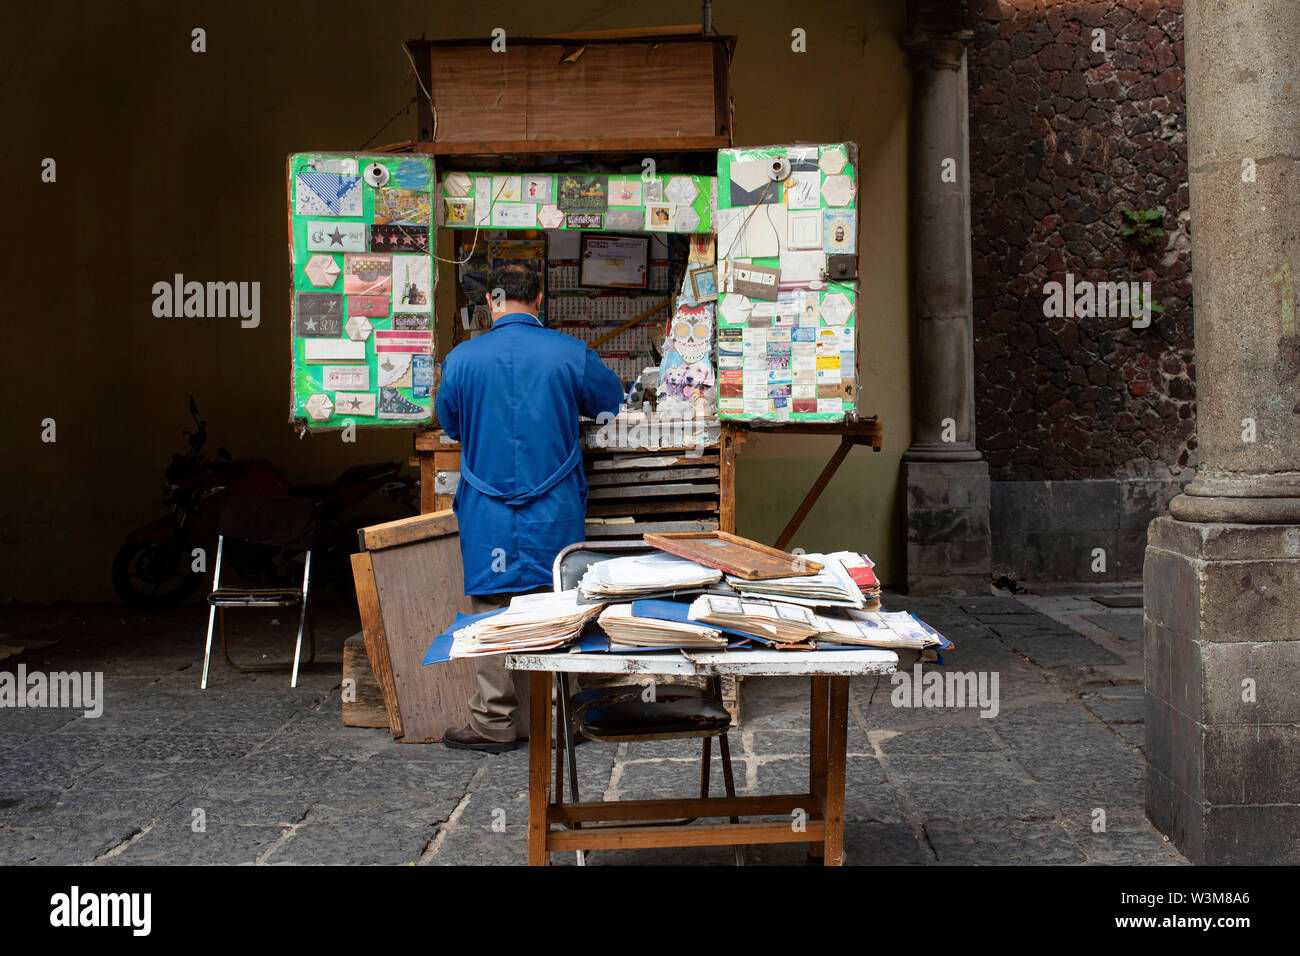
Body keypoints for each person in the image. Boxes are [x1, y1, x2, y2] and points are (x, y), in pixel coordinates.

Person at [435, 263, 624, 752]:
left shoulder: (461, 359)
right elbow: (610, 403)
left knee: (490, 607)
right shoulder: (570, 353)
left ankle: (493, 723)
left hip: (487, 505)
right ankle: (563, 720)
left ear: (491, 303)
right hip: (553, 505)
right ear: (540, 299)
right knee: (562, 603)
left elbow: (450, 424)